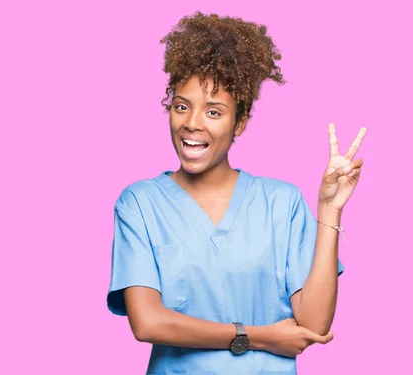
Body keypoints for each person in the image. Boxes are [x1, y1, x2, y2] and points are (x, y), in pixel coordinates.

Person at [106, 11, 367, 375]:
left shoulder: (282, 203)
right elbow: (147, 322)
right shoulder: (139, 204)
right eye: (181, 106)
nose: (192, 123)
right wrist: (257, 337)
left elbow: (314, 323)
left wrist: (329, 210)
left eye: (214, 111)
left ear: (240, 123)